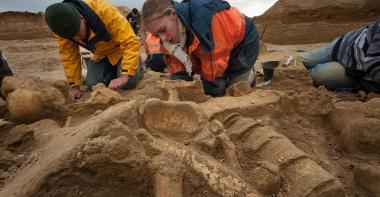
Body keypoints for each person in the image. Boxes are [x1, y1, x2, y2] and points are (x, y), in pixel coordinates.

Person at [142, 0, 259, 97]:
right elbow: (177, 68)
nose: (163, 38)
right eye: (157, 35)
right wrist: (181, 86)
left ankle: (249, 75)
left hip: (242, 44)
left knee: (230, 89)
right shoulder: (168, 36)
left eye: (163, 30)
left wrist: (211, 95)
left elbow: (214, 69)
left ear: (173, 14)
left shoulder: (207, 20)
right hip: (211, 48)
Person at [45, 0, 141, 99]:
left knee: (128, 83)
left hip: (121, 50)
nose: (77, 39)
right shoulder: (62, 29)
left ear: (81, 18)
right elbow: (69, 56)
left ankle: (138, 65)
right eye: (72, 37)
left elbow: (131, 42)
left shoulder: (104, 10)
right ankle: (114, 69)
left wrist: (124, 75)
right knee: (92, 84)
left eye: (77, 33)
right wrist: (74, 86)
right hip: (101, 54)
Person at [299, 20, 380, 93]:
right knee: (301, 61)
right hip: (344, 45)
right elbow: (373, 62)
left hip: (358, 74)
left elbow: (372, 66)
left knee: (317, 75)